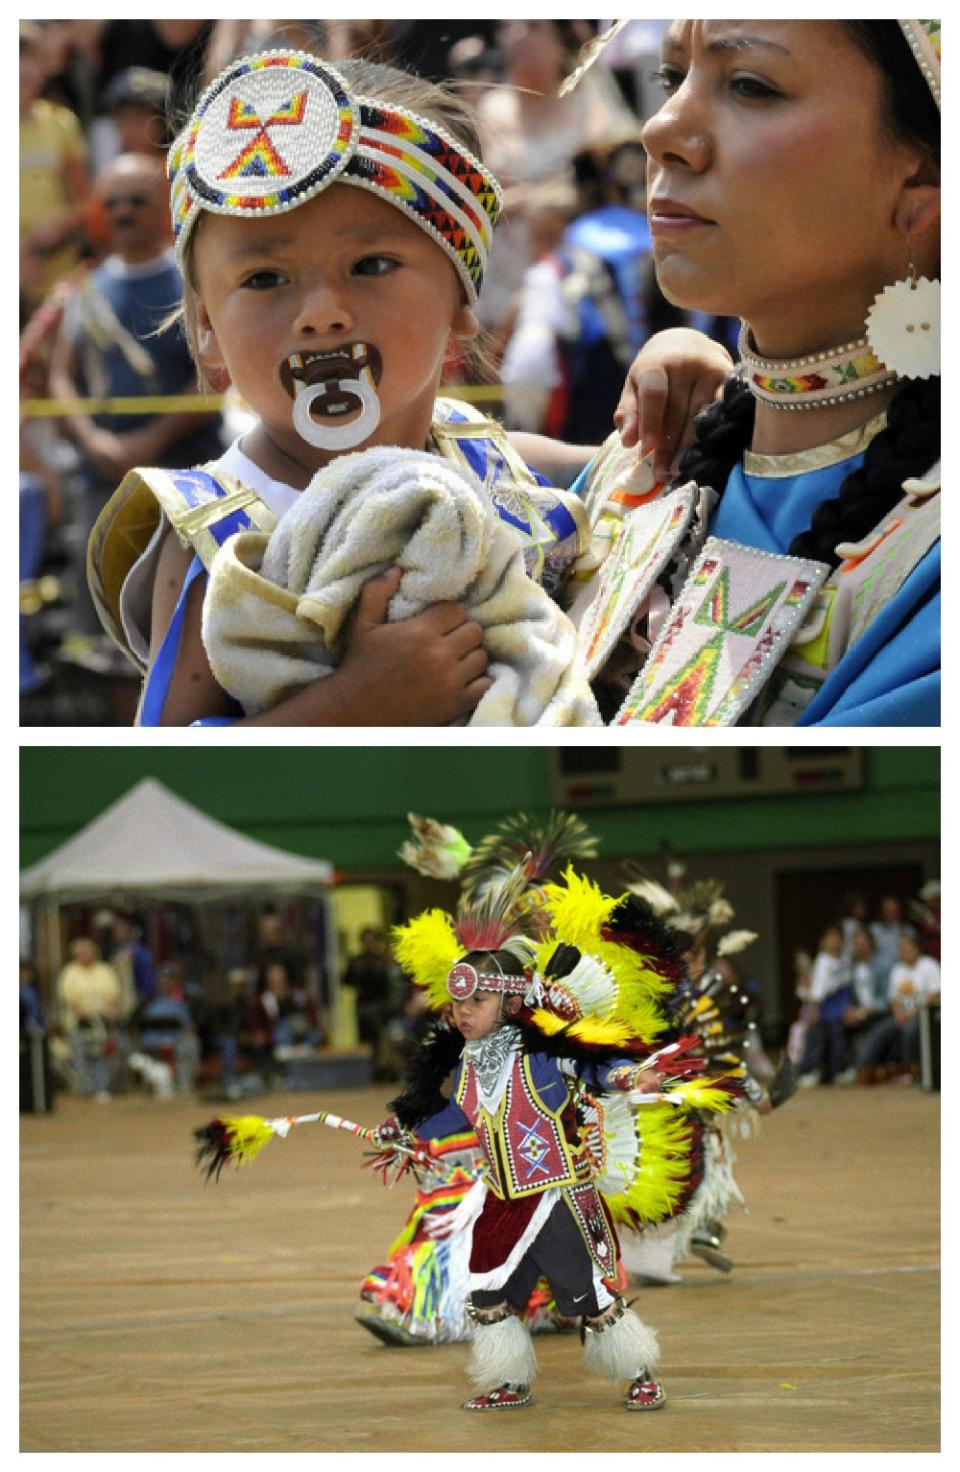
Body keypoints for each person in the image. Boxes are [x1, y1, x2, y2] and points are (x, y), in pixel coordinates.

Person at [85, 48, 732, 727]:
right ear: (206, 324)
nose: (321, 312)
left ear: (461, 300)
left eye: (372, 264)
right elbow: (164, 779)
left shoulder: (505, 467)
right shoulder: (214, 531)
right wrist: (353, 706)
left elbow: (641, 465)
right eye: (264, 279)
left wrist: (679, 357)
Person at [577, 19, 940, 725]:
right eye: (671, 77)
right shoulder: (645, 461)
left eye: (750, 85)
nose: (660, 130)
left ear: (923, 177)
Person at [382, 865, 742, 1411]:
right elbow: (454, 1120)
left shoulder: (545, 1056)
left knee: (592, 1299)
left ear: (507, 1004)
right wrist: (407, 1132)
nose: (462, 1013)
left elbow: (598, 1070)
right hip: (503, 1200)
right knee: (487, 1293)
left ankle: (640, 1372)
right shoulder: (464, 1070)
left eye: (475, 1003)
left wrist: (632, 1076)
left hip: (558, 1199)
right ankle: (509, 1379)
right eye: (458, 1006)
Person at [47, 150, 224, 661]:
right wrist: (94, 440)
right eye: (113, 202)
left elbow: (212, 376)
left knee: (188, 618)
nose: (123, 212)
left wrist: (147, 442)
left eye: (137, 200)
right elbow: (62, 375)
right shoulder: (85, 289)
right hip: (102, 478)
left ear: (164, 205)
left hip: (184, 474)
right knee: (101, 626)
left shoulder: (189, 281)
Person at [854, 933, 940, 1083]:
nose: (904, 952)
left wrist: (914, 1012)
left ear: (917, 949)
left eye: (908, 948)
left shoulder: (929, 965)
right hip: (901, 1015)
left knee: (909, 1030)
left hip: (925, 1016)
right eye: (902, 949)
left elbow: (936, 993)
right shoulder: (897, 969)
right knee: (878, 1032)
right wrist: (899, 1013)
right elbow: (893, 998)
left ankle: (910, 1072)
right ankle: (862, 1069)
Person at [55, 936, 128, 1100]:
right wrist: (88, 1014)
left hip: (105, 1023)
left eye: (85, 953)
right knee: (81, 1049)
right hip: (79, 1023)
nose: (82, 956)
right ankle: (86, 1087)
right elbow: (69, 999)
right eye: (79, 953)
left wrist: (109, 1011)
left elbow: (115, 997)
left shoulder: (105, 970)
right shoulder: (70, 972)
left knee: (114, 1046)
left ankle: (105, 1087)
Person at [798, 926, 853, 1087]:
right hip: (823, 1006)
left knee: (838, 1039)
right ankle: (807, 1071)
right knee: (817, 1038)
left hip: (840, 1005)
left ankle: (836, 1071)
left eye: (837, 939)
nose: (834, 943)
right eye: (830, 939)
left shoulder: (845, 959)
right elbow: (818, 991)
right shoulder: (823, 960)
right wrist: (814, 1011)